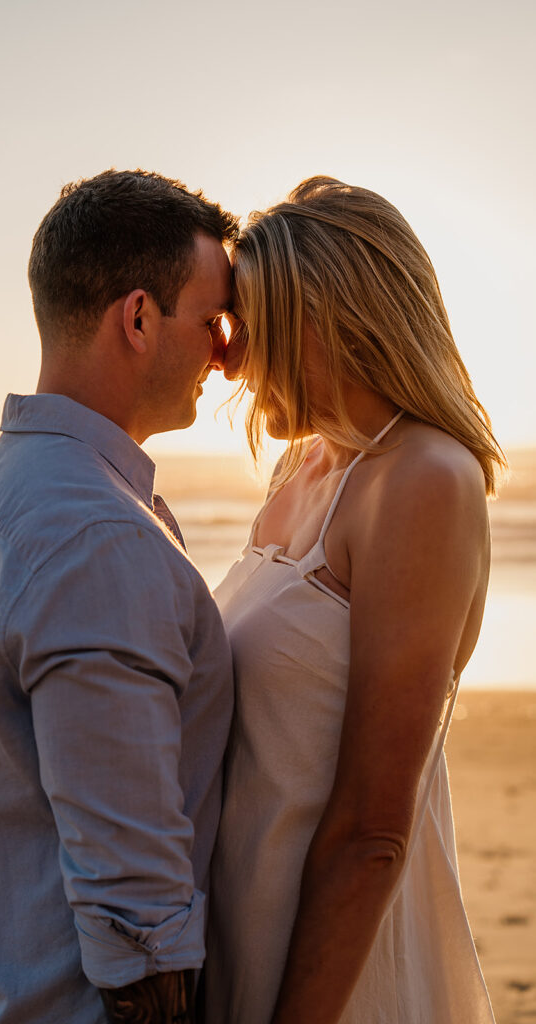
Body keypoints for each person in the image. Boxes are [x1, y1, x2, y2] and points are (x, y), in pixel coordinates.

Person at [0, 169, 237, 1024]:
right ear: (139, 319)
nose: (226, 352)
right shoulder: (94, 532)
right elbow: (133, 898)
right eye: (213, 319)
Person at [205, 176, 504, 1024]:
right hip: (239, 924)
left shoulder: (425, 482)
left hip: (334, 970)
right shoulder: (304, 469)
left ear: (322, 318)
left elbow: (375, 827)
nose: (227, 354)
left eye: (249, 322)